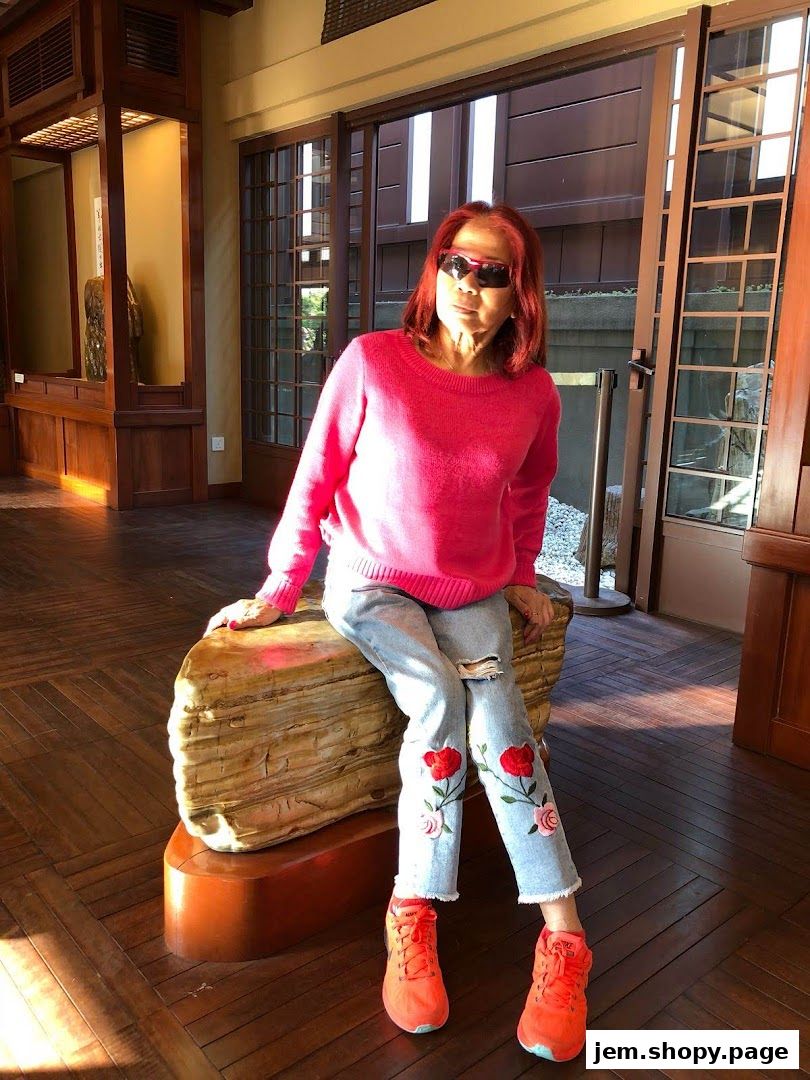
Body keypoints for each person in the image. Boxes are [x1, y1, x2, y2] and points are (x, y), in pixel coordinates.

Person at [206, 201, 592, 1062]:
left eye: (495, 274)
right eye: (457, 264)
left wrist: (522, 575)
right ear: (435, 270)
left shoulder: (529, 393)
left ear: (519, 295)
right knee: (438, 699)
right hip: (371, 579)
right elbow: (316, 476)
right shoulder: (372, 361)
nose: (471, 286)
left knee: (504, 726)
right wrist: (279, 587)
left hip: (469, 586)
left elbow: (530, 495)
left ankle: (563, 936)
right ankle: (412, 908)